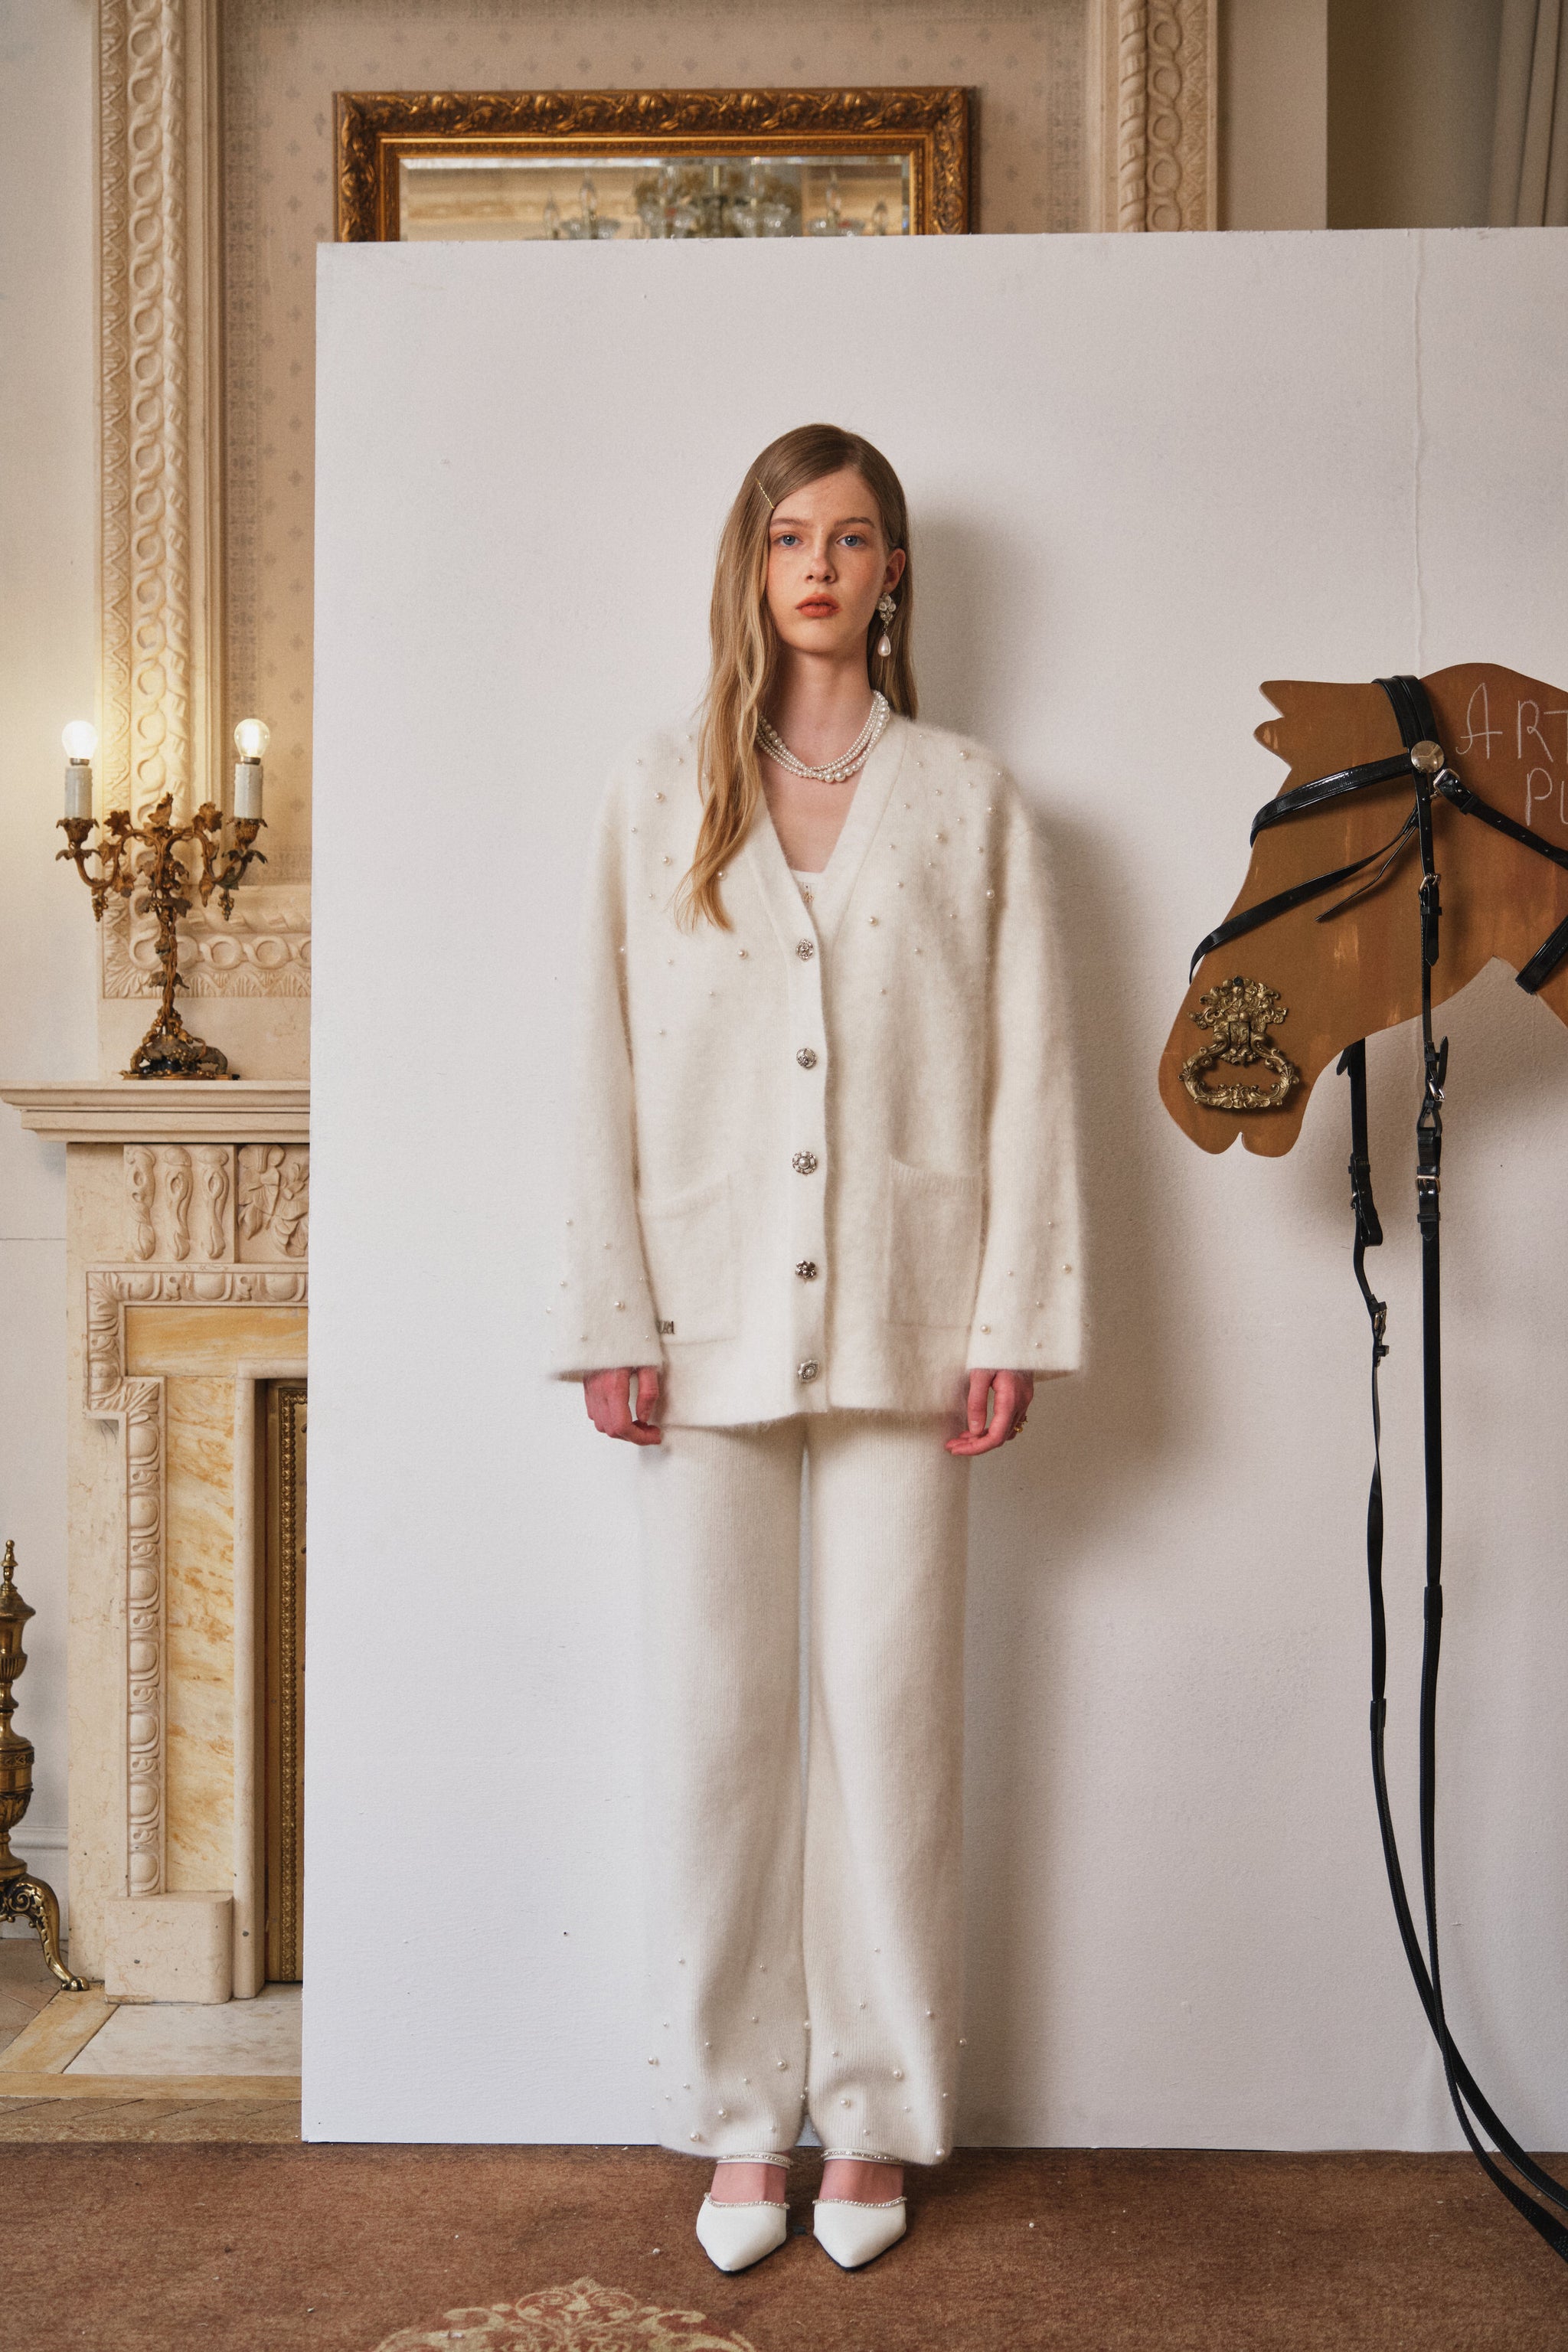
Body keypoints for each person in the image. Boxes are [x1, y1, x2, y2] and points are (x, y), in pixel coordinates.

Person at [550, 423, 1080, 2271]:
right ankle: (733, 2116)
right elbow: (597, 1064)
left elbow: (1031, 1075)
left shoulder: (970, 798)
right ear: (752, 564)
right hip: (698, 1312)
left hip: (906, 1312)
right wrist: (608, 1312)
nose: (822, 568)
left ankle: (871, 2118)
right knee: (714, 1729)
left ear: (893, 571)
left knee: (891, 1723)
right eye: (791, 537)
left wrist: (1014, 1315)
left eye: (853, 538)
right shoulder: (657, 791)